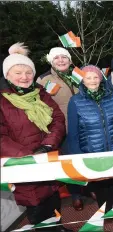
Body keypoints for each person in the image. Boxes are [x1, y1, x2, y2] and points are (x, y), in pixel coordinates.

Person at [1, 43, 71, 232]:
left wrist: (48, 145)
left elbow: (57, 118)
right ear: (7, 75)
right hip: (25, 165)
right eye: (18, 72)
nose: (24, 77)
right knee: (38, 211)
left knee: (54, 202)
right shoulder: (2, 101)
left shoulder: (41, 93)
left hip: (48, 157)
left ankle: (59, 228)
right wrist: (28, 156)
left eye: (28, 72)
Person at [67, 65, 113, 212]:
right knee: (99, 183)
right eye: (88, 77)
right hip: (91, 151)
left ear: (100, 79)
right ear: (82, 80)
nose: (93, 80)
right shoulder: (75, 101)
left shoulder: (111, 96)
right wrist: (77, 154)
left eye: (96, 77)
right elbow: (73, 132)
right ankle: (105, 209)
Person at [36, 47, 91, 211]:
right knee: (69, 163)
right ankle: (76, 195)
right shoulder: (43, 79)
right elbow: (41, 106)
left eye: (64, 57)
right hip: (63, 130)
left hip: (84, 127)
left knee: (87, 159)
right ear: (51, 61)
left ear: (70, 60)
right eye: (57, 58)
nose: (61, 60)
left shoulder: (78, 75)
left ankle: (89, 188)